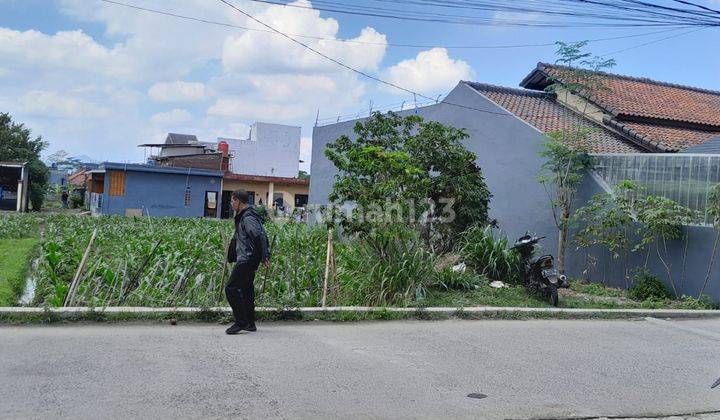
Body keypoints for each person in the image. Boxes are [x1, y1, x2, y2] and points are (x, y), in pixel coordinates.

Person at [225, 189, 270, 335]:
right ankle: (250, 323)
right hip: (248, 257)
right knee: (246, 288)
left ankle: (241, 322)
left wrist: (264, 256)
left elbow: (259, 236)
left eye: (232, 201)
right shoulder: (245, 215)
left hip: (248, 258)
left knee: (231, 289)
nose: (232, 204)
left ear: (238, 201)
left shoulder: (248, 217)